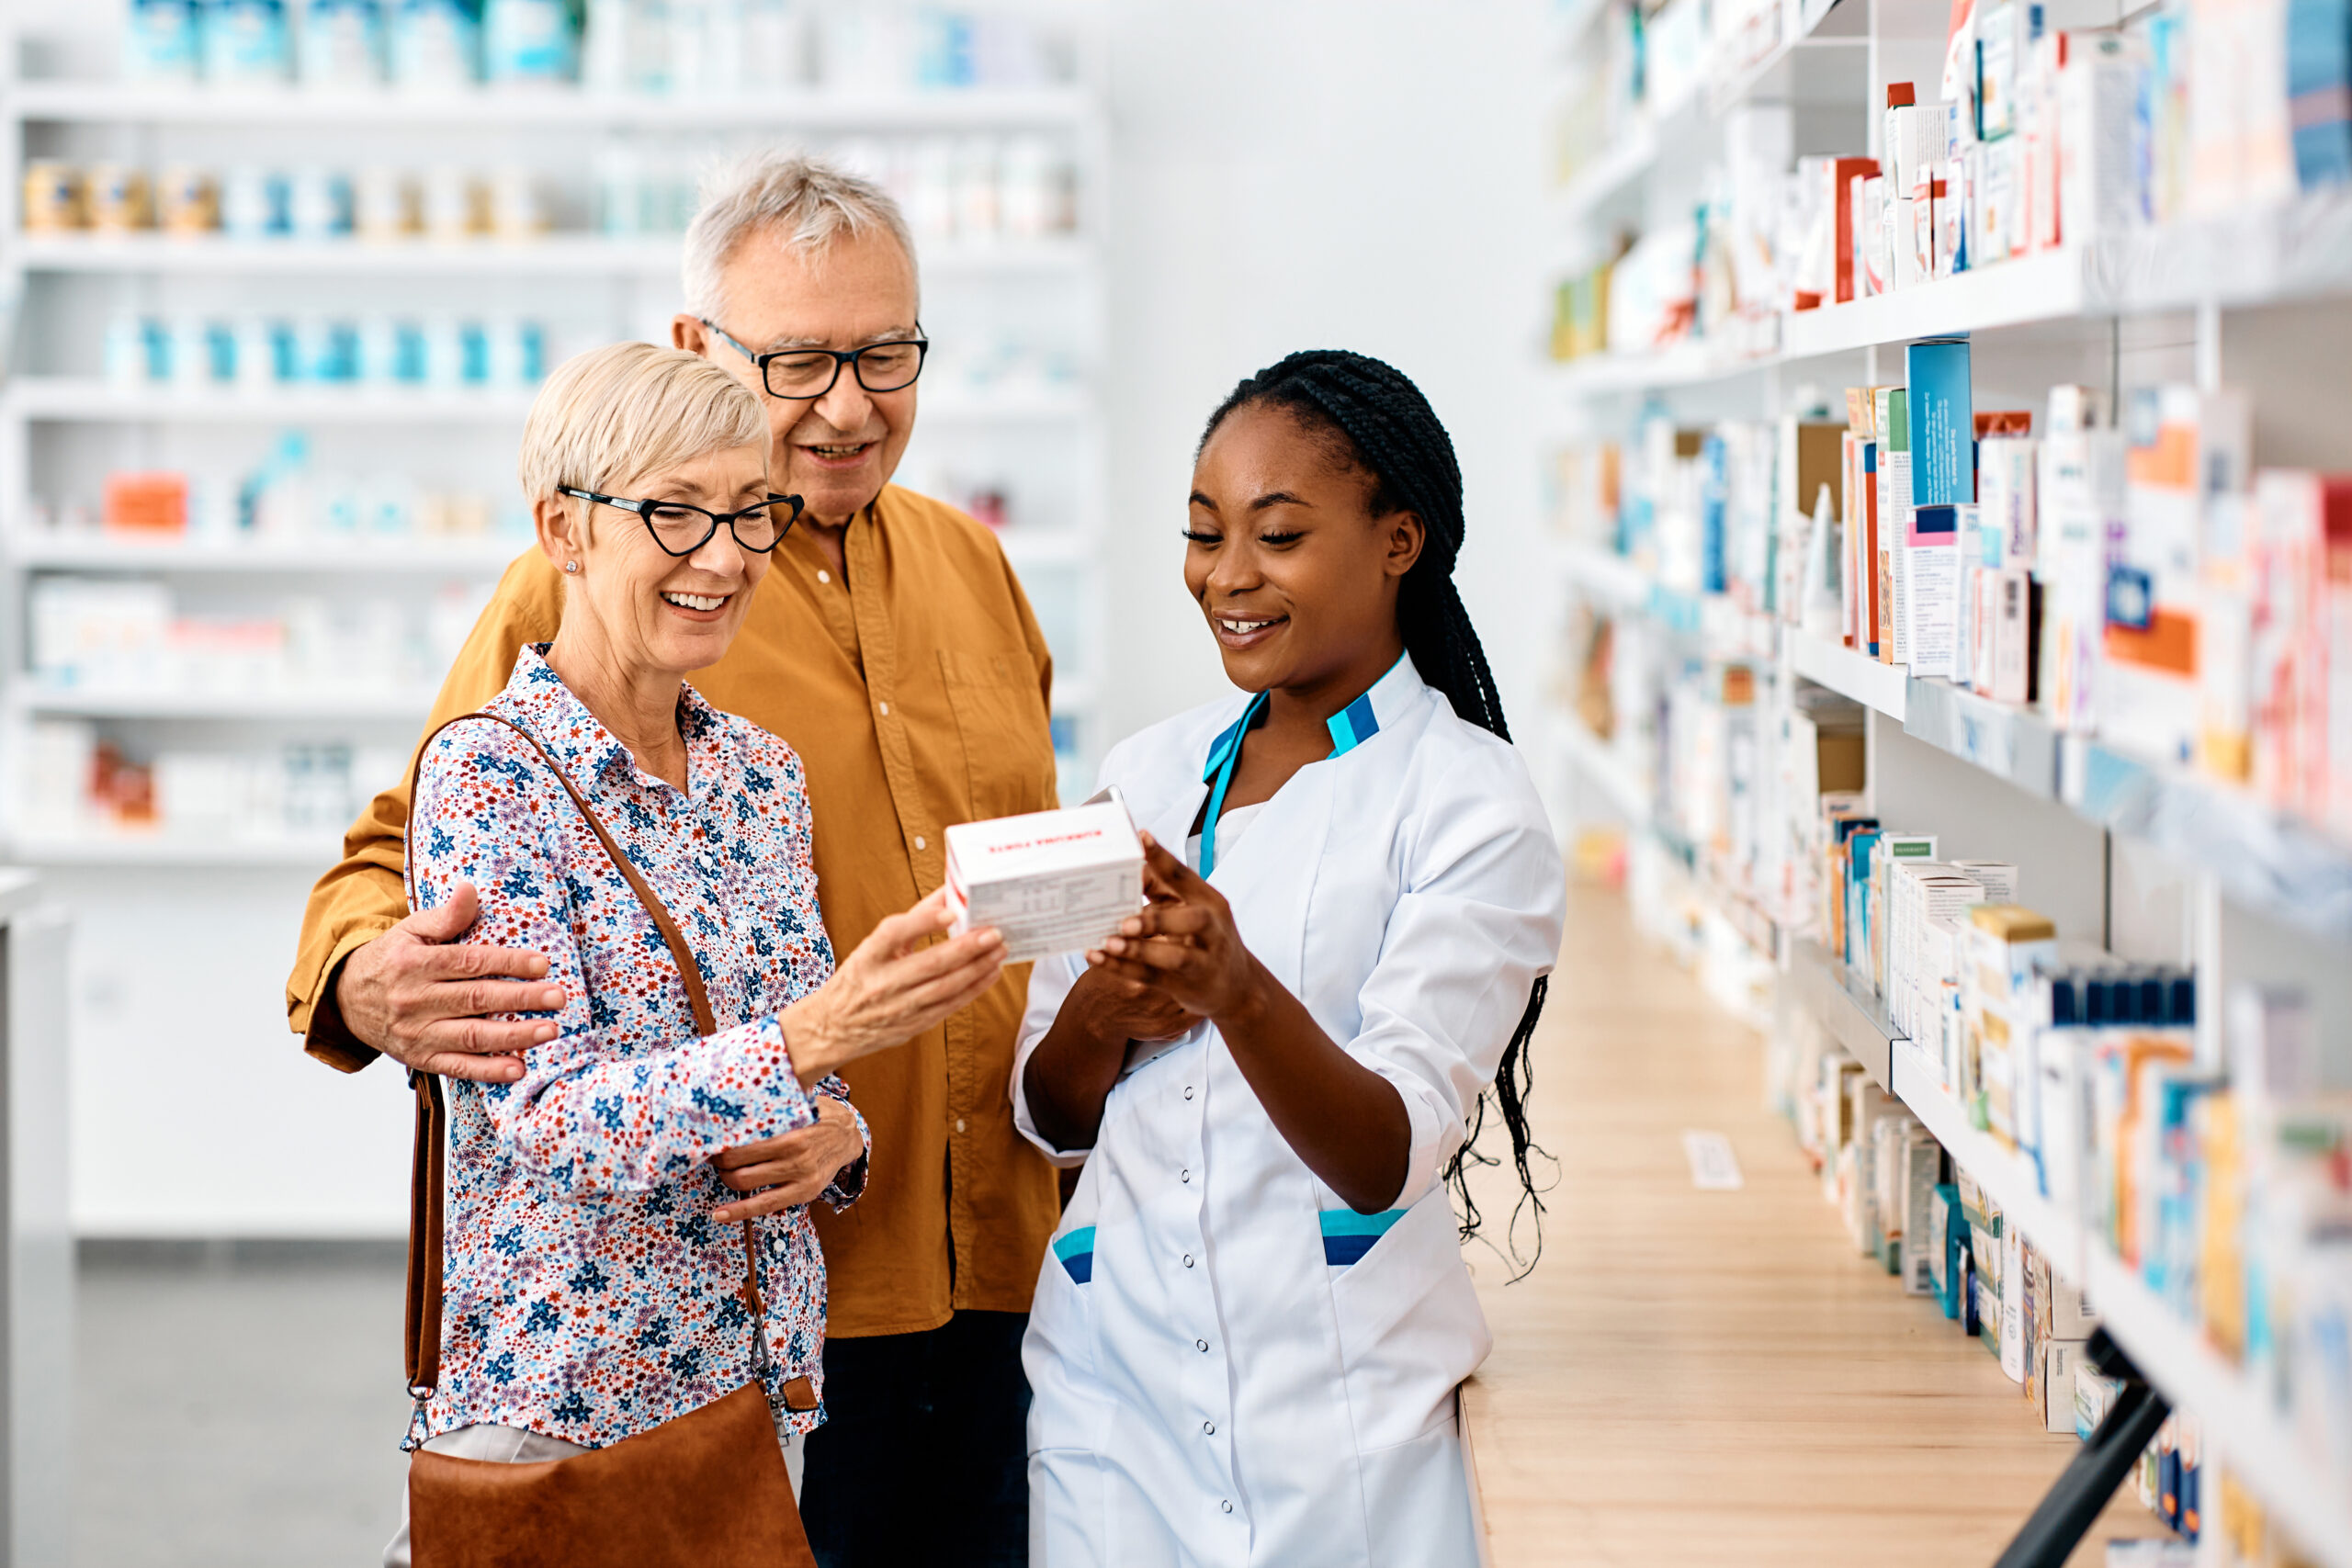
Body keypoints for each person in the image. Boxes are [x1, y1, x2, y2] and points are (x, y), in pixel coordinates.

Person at [288, 153, 1057, 1564]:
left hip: (990, 1260)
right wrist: (358, 981)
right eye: (803, 357)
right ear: (700, 346)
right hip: (714, 1322)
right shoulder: (593, 578)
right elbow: (405, 843)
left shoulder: (977, 570)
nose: (848, 402)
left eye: (885, 353)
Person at [1013, 350, 1568, 1567]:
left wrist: (1236, 990)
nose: (1227, 577)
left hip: (1342, 1418)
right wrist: (1110, 1000)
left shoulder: (1471, 806)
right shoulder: (1145, 777)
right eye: (1205, 534)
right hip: (1116, 1399)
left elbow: (1388, 1155)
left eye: (1277, 535)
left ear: (1397, 542)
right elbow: (1053, 1114)